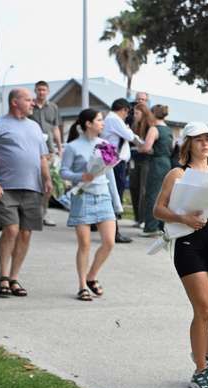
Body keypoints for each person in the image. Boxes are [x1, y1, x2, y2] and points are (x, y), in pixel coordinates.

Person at [153, 121, 208, 388]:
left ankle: (203, 352)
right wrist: (182, 217)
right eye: (199, 139)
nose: (205, 144)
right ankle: (200, 370)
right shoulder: (177, 174)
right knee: (204, 307)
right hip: (188, 244)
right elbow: (158, 210)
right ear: (188, 143)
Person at [0, 88, 52, 298]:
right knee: (11, 229)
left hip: (32, 187)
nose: (32, 103)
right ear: (14, 102)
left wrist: (47, 179)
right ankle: (2, 276)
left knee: (26, 233)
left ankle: (14, 278)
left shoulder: (35, 127)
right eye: (28, 100)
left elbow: (42, 157)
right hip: (5, 187)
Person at [60, 109, 122, 301]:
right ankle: (81, 286)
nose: (102, 123)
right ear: (88, 123)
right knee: (84, 244)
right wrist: (80, 176)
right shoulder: (72, 147)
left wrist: (117, 202)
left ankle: (91, 276)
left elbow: (110, 173)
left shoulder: (105, 145)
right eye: (99, 120)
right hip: (82, 197)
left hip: (103, 197)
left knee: (109, 242)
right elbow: (64, 172)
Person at [101, 98, 141, 244]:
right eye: (127, 112)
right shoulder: (114, 119)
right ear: (123, 110)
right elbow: (130, 136)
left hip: (115, 162)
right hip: (115, 163)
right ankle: (114, 232)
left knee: (115, 195)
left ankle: (112, 231)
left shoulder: (112, 119)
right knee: (115, 195)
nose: (127, 115)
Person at [28, 80, 63, 227]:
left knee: (48, 183)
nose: (41, 92)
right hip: (31, 150)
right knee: (32, 183)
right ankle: (31, 214)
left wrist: (59, 147)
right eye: (39, 90)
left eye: (44, 90)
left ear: (48, 91)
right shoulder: (29, 106)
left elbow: (55, 128)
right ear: (35, 91)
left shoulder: (53, 107)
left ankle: (44, 214)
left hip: (48, 150)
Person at [138, 104, 173, 237]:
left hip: (157, 162)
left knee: (153, 194)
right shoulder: (168, 129)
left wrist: (138, 147)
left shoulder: (154, 129)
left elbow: (147, 147)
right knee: (165, 195)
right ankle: (161, 225)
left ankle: (151, 227)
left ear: (153, 114)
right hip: (167, 162)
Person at [128, 103, 155, 227]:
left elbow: (150, 148)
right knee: (134, 187)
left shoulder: (150, 127)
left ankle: (143, 219)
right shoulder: (133, 126)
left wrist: (142, 146)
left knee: (143, 189)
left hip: (146, 161)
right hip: (134, 159)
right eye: (134, 113)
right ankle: (137, 218)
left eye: (137, 113)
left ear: (143, 114)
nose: (134, 115)